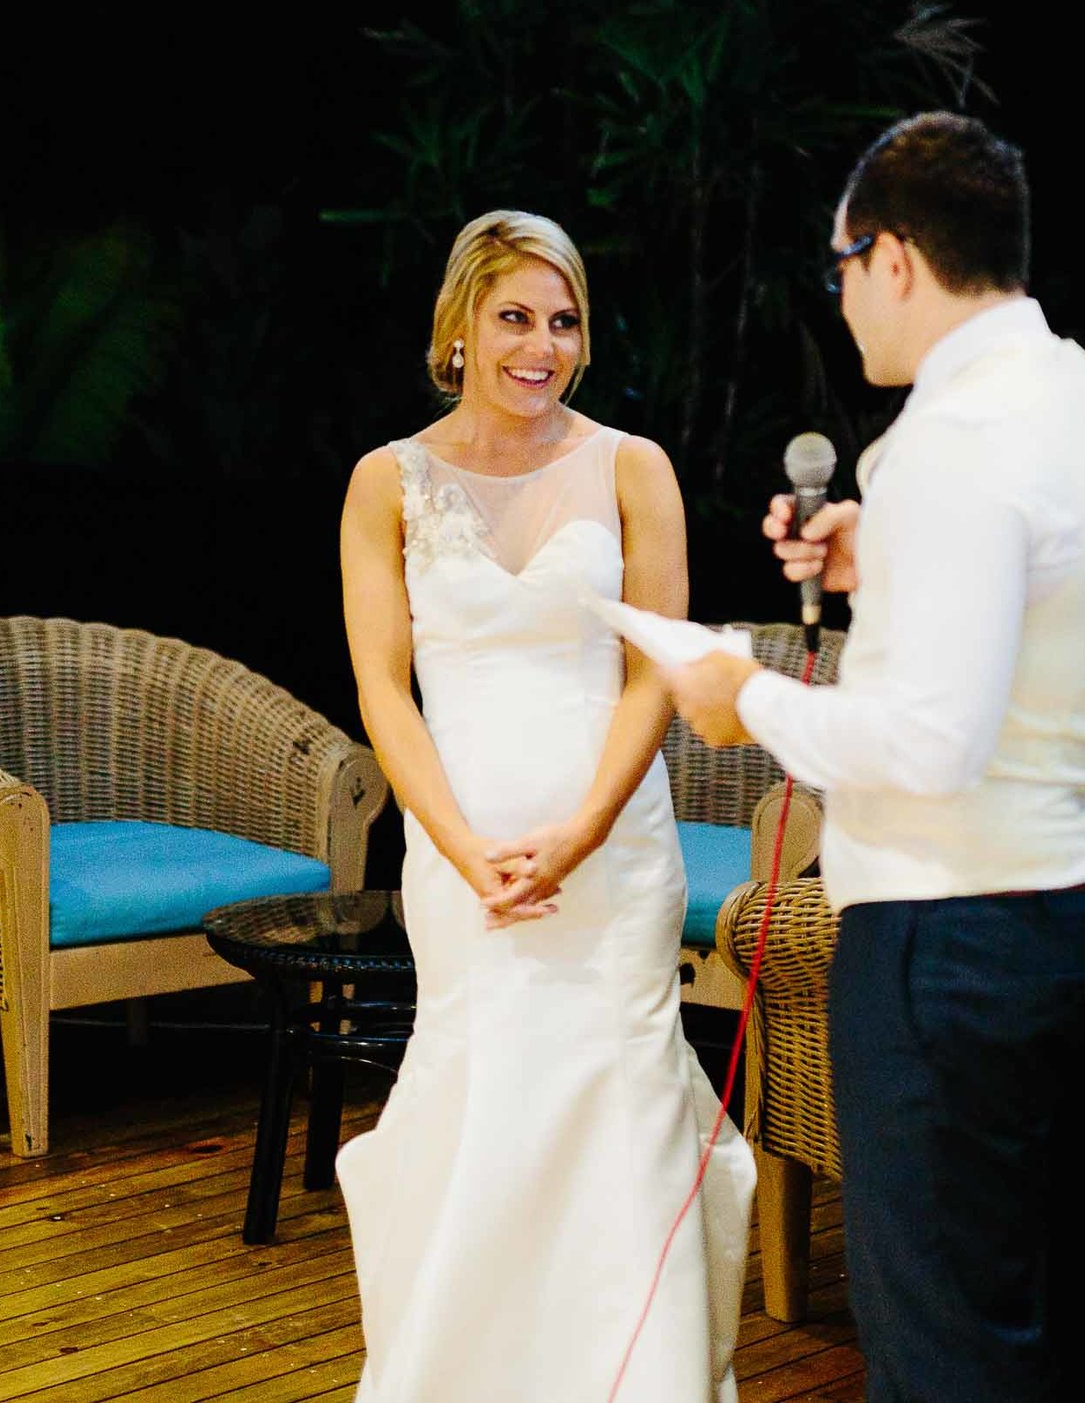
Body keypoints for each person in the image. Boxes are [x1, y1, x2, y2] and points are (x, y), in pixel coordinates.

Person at [663, 113, 1085, 1401]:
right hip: (1069, 912)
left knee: (939, 1349)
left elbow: (925, 743)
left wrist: (746, 699)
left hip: (943, 943)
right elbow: (1040, 613)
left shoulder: (954, 444)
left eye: (838, 267)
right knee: (1016, 1316)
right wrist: (874, 557)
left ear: (891, 256)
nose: (840, 300)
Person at [334, 211, 753, 1403]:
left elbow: (654, 671)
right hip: (459, 854)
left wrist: (579, 833)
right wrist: (462, 849)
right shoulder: (387, 480)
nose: (542, 344)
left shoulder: (632, 465)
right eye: (515, 315)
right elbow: (382, 685)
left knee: (613, 1093)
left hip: (611, 853)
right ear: (459, 325)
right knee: (481, 1093)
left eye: (562, 320)